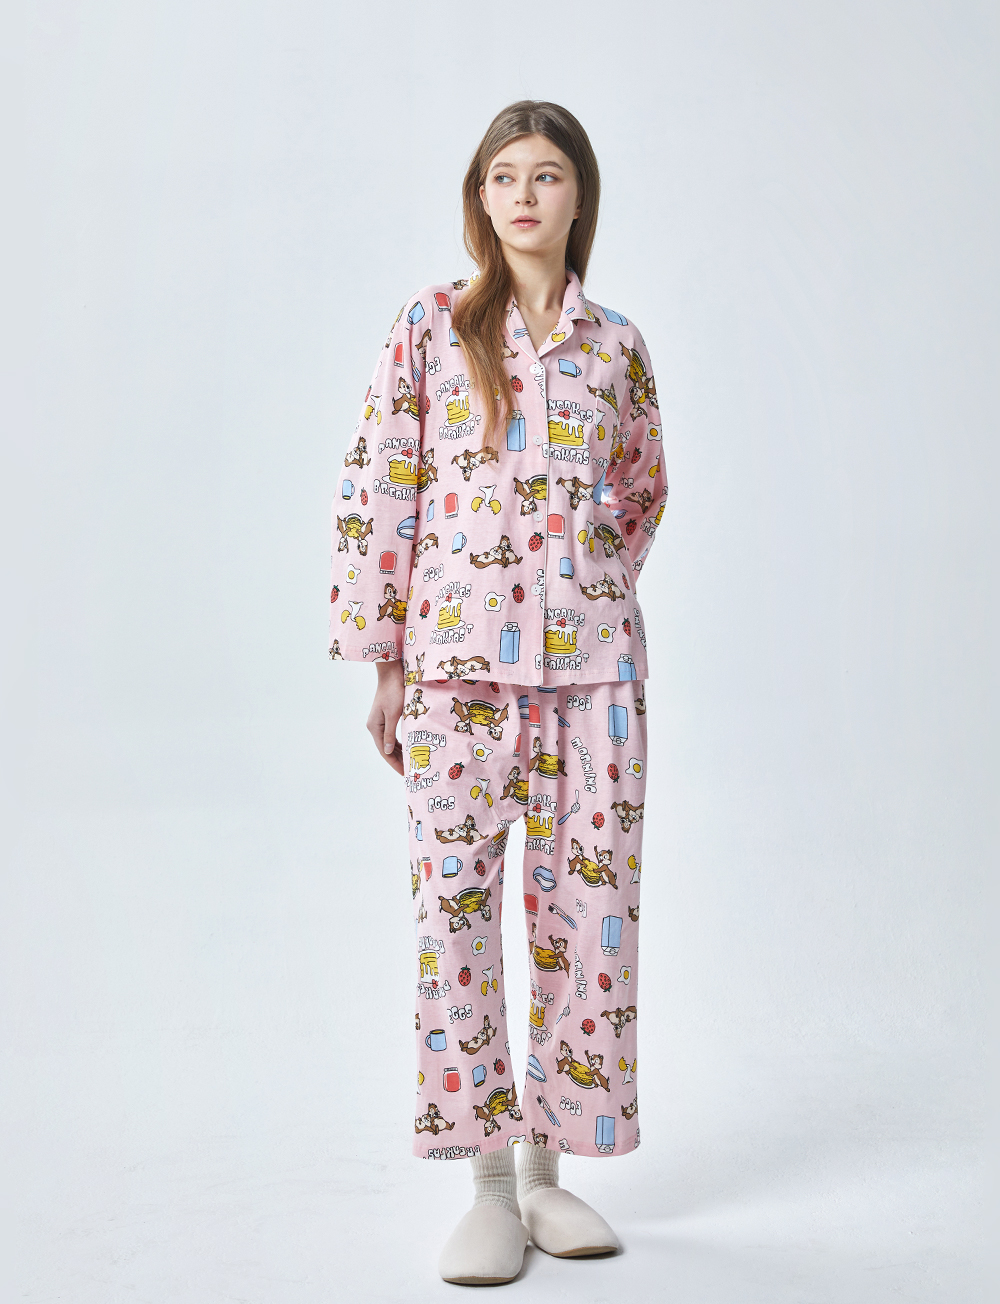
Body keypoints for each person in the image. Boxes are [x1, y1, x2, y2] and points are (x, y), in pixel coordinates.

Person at [329, 101, 667, 1285]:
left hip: (593, 676)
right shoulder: (430, 327)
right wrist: (385, 659)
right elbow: (381, 488)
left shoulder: (616, 346)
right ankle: (485, 1186)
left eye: (548, 174)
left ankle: (545, 1175)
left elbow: (641, 488)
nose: (524, 194)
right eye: (503, 175)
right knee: (455, 918)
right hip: (455, 671)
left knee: (589, 915)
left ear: (580, 197)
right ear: (480, 198)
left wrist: (586, 578)